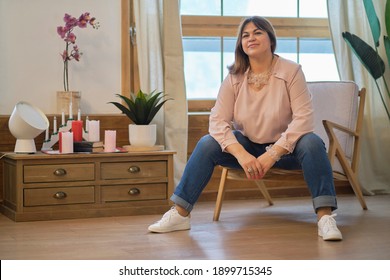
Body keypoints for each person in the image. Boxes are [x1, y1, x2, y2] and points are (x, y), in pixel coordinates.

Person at [148, 16, 343, 241]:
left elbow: (304, 119)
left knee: (311, 141)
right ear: (241, 44)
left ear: (271, 39)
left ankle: (325, 218)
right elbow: (218, 121)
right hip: (249, 151)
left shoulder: (291, 71)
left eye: (258, 32)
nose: (251, 38)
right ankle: (180, 214)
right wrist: (241, 154)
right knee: (207, 143)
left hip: (285, 151)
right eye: (245, 35)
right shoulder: (234, 77)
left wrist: (272, 154)